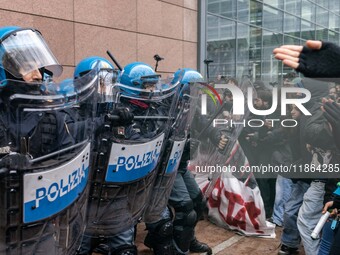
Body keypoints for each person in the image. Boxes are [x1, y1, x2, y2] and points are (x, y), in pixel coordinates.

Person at [0, 26, 90, 255]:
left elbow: (69, 165)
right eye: (27, 66)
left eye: (39, 67)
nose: (38, 75)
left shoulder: (53, 116)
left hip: (38, 228)